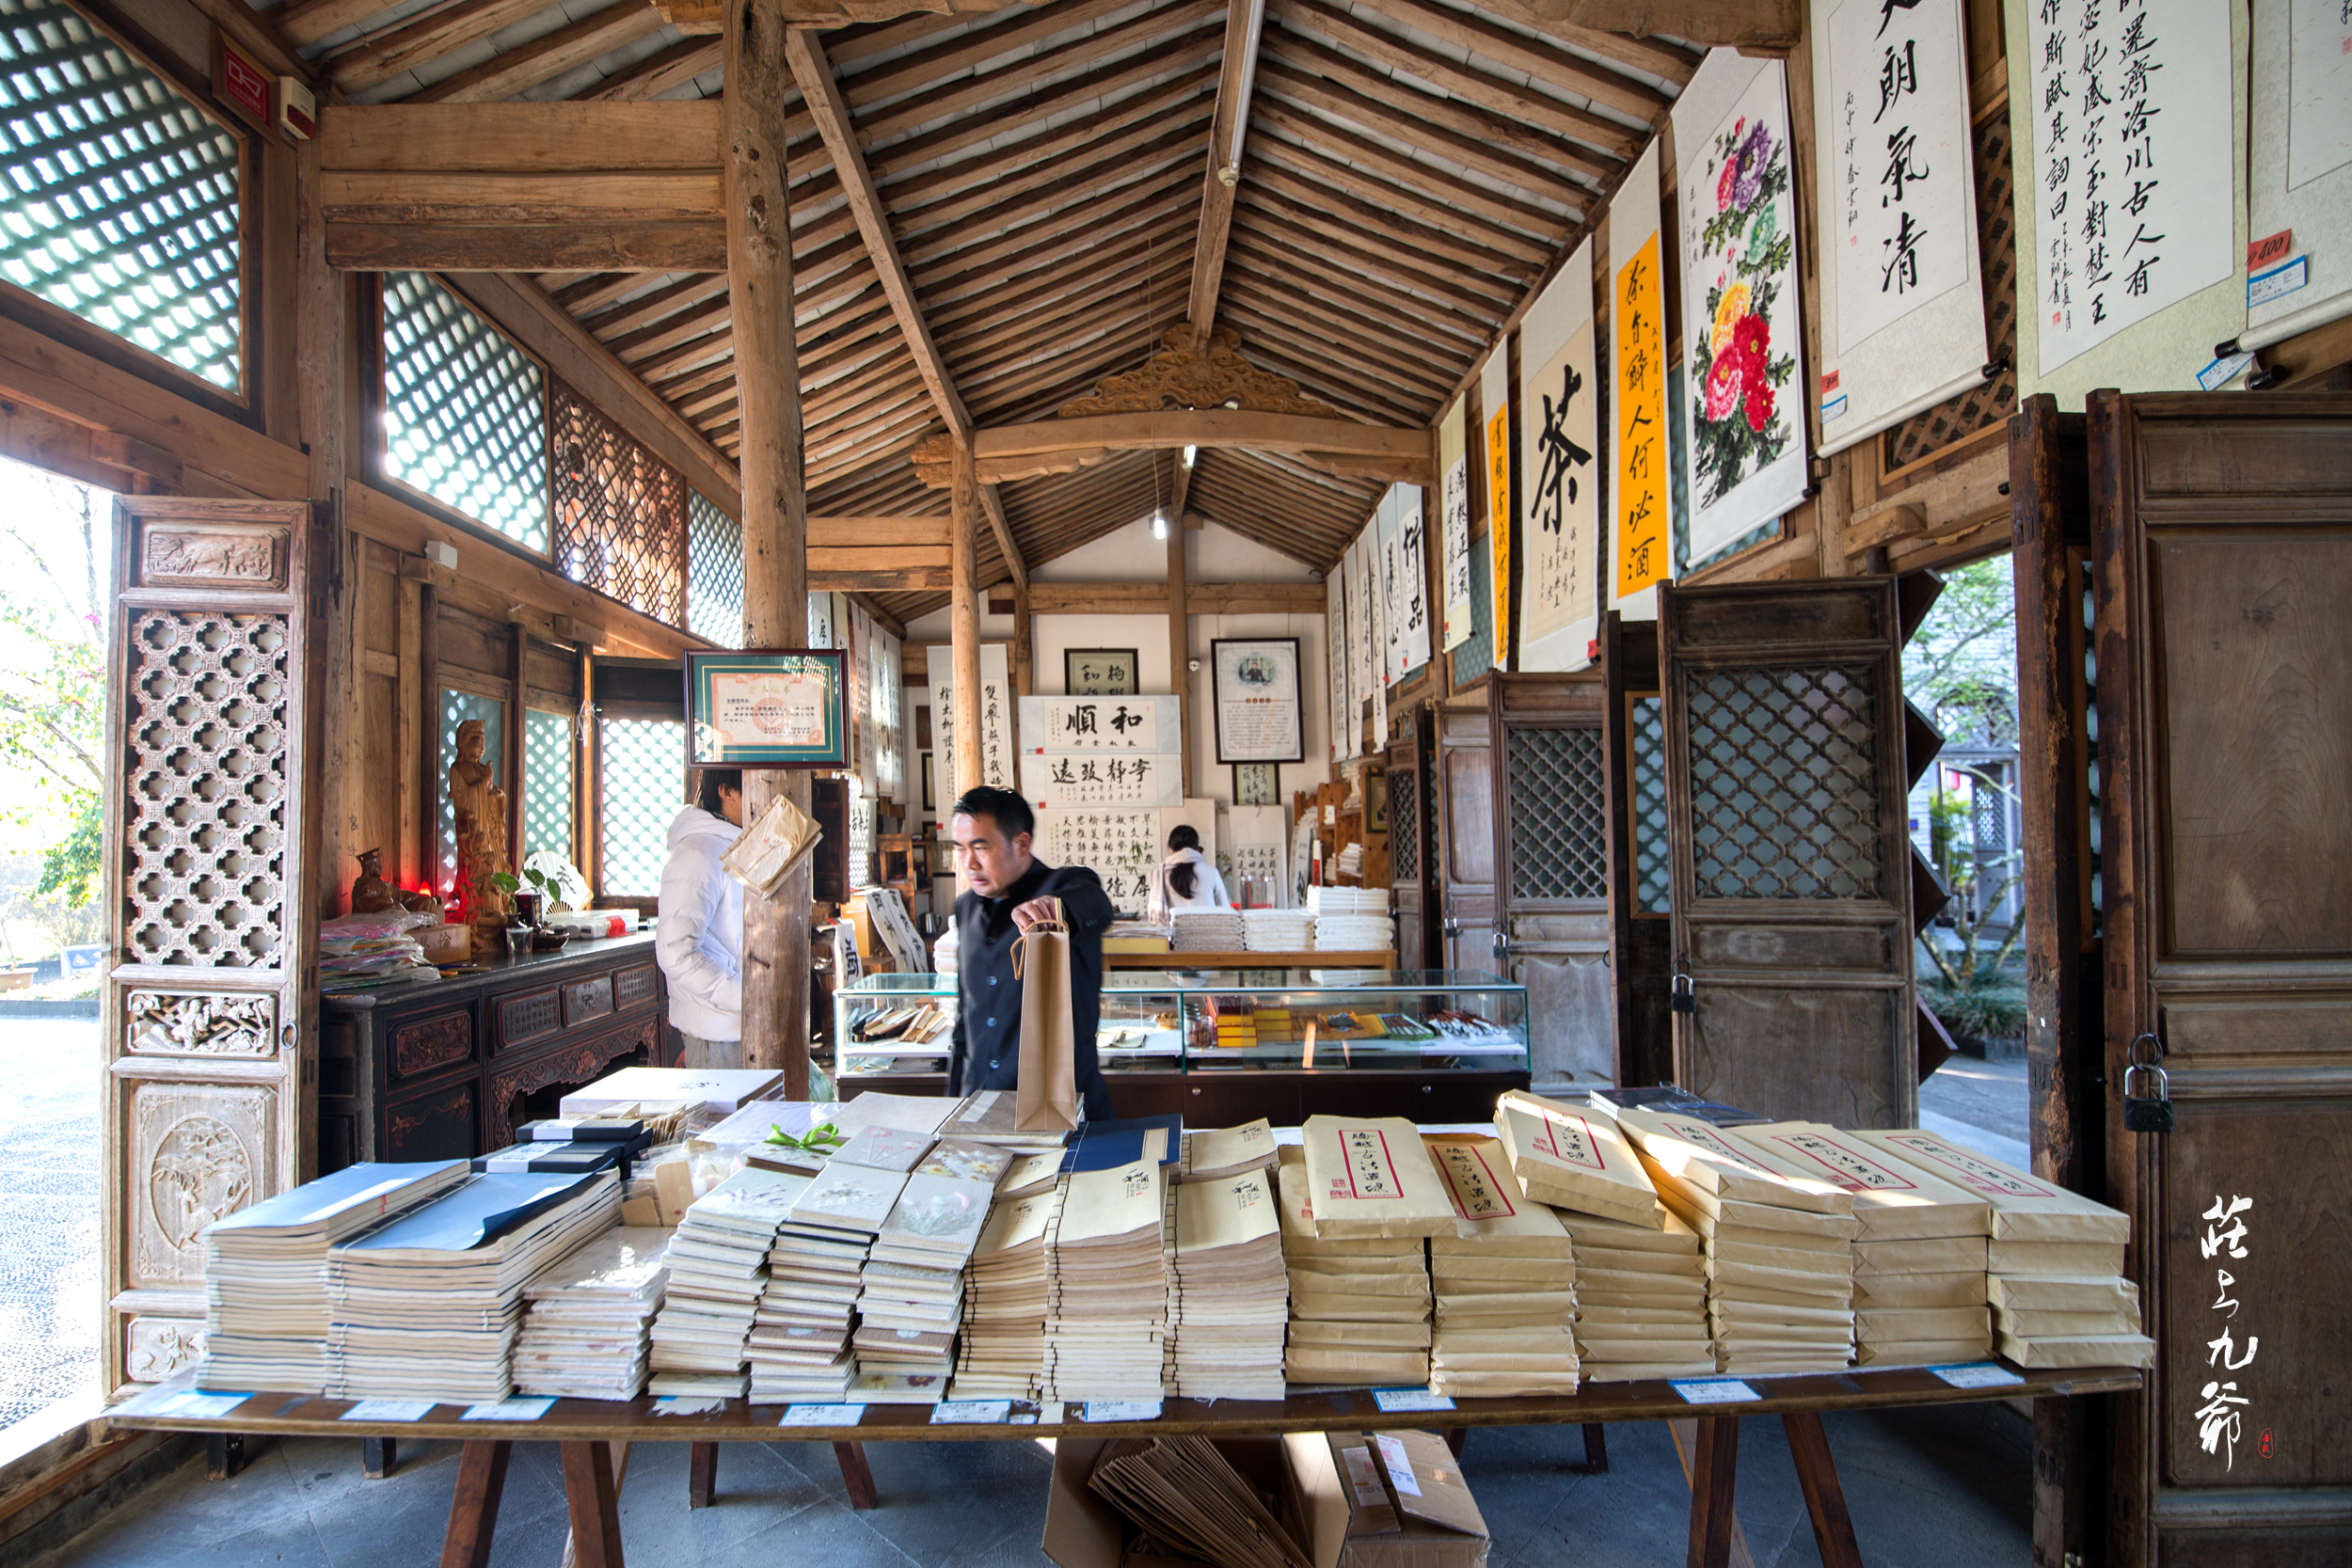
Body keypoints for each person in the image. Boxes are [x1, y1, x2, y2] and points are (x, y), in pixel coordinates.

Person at [946, 784, 1116, 1121]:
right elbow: (966, 1017)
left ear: (1021, 843)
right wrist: (950, 1106)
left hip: (1063, 1108)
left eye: (981, 847)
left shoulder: (1064, 887)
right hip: (980, 1107)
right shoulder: (965, 908)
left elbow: (1098, 905)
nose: (969, 863)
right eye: (961, 849)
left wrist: (1057, 908)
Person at [658, 767, 744, 1069]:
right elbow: (676, 952)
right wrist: (745, 996)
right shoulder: (697, 853)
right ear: (726, 792)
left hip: (743, 1025)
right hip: (717, 1034)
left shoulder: (733, 847)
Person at [1147, 823, 1230, 923]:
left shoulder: (1159, 874)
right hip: (1206, 934)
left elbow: (1154, 913)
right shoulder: (1211, 872)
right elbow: (1226, 912)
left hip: (1173, 936)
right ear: (1195, 848)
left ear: (1171, 849)